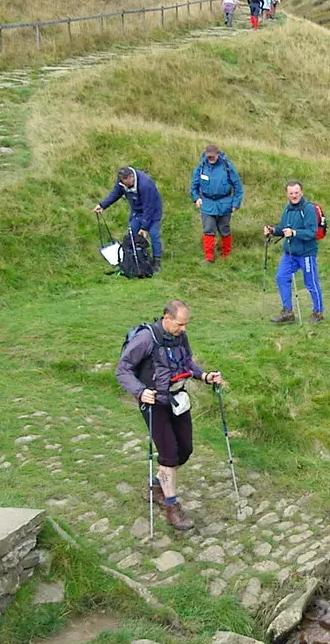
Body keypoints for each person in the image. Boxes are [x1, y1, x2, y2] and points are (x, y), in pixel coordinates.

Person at [115, 300, 225, 532]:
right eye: (179, 324)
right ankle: (172, 508)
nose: (183, 329)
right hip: (154, 402)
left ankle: (155, 486)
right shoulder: (145, 339)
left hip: (178, 399)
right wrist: (140, 391)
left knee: (185, 450)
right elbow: (122, 370)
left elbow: (187, 362)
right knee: (169, 454)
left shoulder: (180, 337)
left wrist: (204, 376)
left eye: (185, 324)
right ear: (166, 318)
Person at [263, 179, 324, 324]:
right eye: (291, 193)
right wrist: (272, 230)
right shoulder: (287, 209)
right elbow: (283, 228)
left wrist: (294, 233)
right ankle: (287, 313)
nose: (294, 195)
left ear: (301, 192)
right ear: (287, 194)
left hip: (306, 253)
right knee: (281, 277)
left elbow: (311, 232)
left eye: (296, 192)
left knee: (311, 282)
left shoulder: (308, 209)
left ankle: (318, 313)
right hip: (290, 253)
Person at [93, 165, 163, 273]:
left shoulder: (145, 184)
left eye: (128, 183)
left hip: (152, 211)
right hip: (137, 211)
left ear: (131, 177)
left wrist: (144, 228)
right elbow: (115, 194)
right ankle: (132, 259)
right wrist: (102, 205)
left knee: (154, 234)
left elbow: (149, 207)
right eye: (123, 183)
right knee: (131, 232)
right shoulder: (122, 183)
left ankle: (156, 261)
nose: (126, 185)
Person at [190, 144, 243, 263]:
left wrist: (235, 203)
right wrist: (196, 198)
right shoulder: (201, 168)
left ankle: (226, 255)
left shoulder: (227, 167)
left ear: (218, 154)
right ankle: (209, 257)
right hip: (207, 203)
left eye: (213, 157)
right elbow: (193, 187)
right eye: (209, 157)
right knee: (208, 228)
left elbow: (238, 187)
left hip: (225, 203)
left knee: (224, 229)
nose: (211, 159)